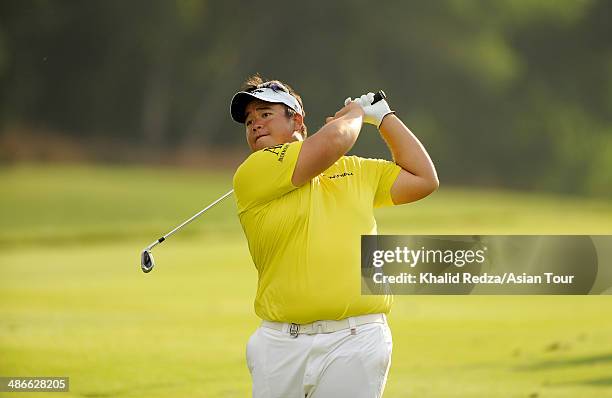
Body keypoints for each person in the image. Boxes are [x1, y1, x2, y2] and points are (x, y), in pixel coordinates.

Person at [230, 75, 438, 398]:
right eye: (249, 120)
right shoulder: (253, 172)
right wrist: (357, 113)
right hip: (280, 345)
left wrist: (383, 116)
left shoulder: (356, 170)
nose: (254, 124)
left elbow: (424, 178)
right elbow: (331, 142)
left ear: (296, 119)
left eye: (265, 114)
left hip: (356, 339)